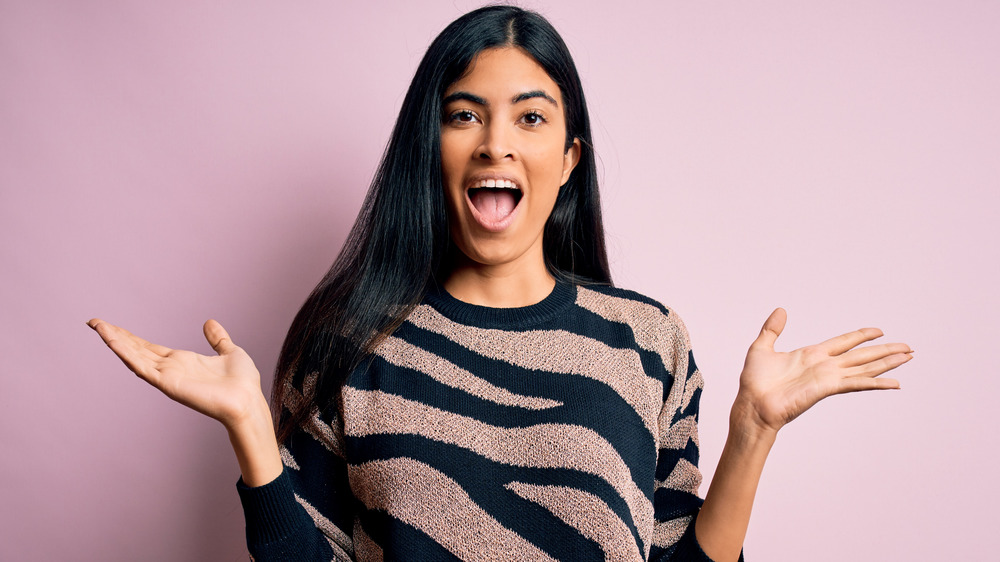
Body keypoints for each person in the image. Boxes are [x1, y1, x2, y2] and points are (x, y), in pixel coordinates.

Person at [88, 6, 912, 561]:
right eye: (463, 115)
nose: (496, 145)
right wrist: (250, 434)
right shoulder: (347, 343)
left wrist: (754, 432)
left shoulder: (648, 341)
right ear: (432, 146)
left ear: (568, 160)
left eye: (530, 116)